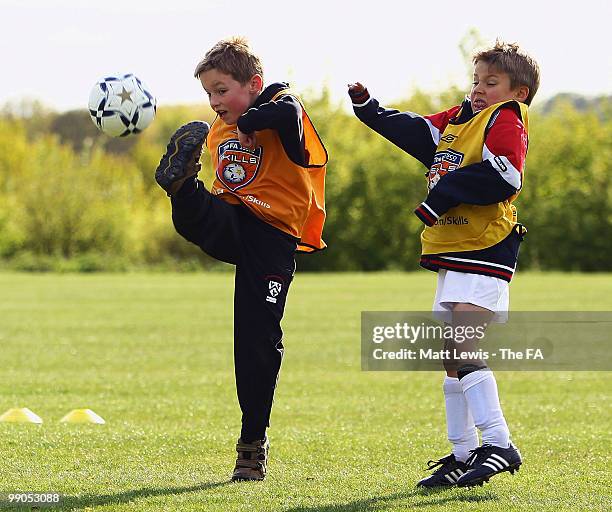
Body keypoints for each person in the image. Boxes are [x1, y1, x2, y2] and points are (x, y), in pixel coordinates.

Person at [349, 40, 539, 488]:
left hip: (485, 250)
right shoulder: (459, 119)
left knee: (464, 349)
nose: (479, 89)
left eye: (491, 83)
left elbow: (506, 175)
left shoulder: (506, 118)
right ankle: (463, 452)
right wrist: (371, 110)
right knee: (450, 357)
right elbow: (419, 132)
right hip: (457, 250)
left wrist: (442, 195)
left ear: (520, 92)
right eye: (477, 81)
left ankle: (498, 443)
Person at [155, 36, 328, 481]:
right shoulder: (220, 128)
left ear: (254, 83)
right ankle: (180, 185)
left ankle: (252, 441)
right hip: (233, 221)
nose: (214, 102)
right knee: (194, 214)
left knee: (255, 340)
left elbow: (286, 115)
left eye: (221, 90)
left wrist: (251, 117)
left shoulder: (281, 105)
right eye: (208, 94)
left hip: (272, 239)